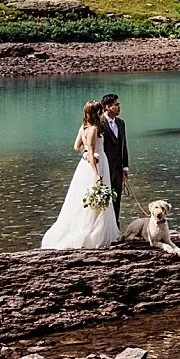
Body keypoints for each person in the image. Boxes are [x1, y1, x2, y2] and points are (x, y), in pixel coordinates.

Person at [39, 100, 120, 250]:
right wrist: (96, 173)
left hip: (86, 165)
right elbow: (90, 151)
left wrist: (85, 155)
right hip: (96, 164)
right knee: (96, 197)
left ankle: (95, 229)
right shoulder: (94, 129)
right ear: (97, 113)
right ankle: (96, 234)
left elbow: (77, 146)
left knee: (84, 197)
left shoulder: (83, 127)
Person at [101, 92, 130, 220]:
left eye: (119, 105)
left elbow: (124, 145)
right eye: (116, 105)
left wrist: (125, 167)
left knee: (116, 200)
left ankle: (115, 229)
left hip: (118, 169)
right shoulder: (99, 123)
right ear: (107, 107)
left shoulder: (121, 123)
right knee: (104, 200)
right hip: (104, 167)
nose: (119, 107)